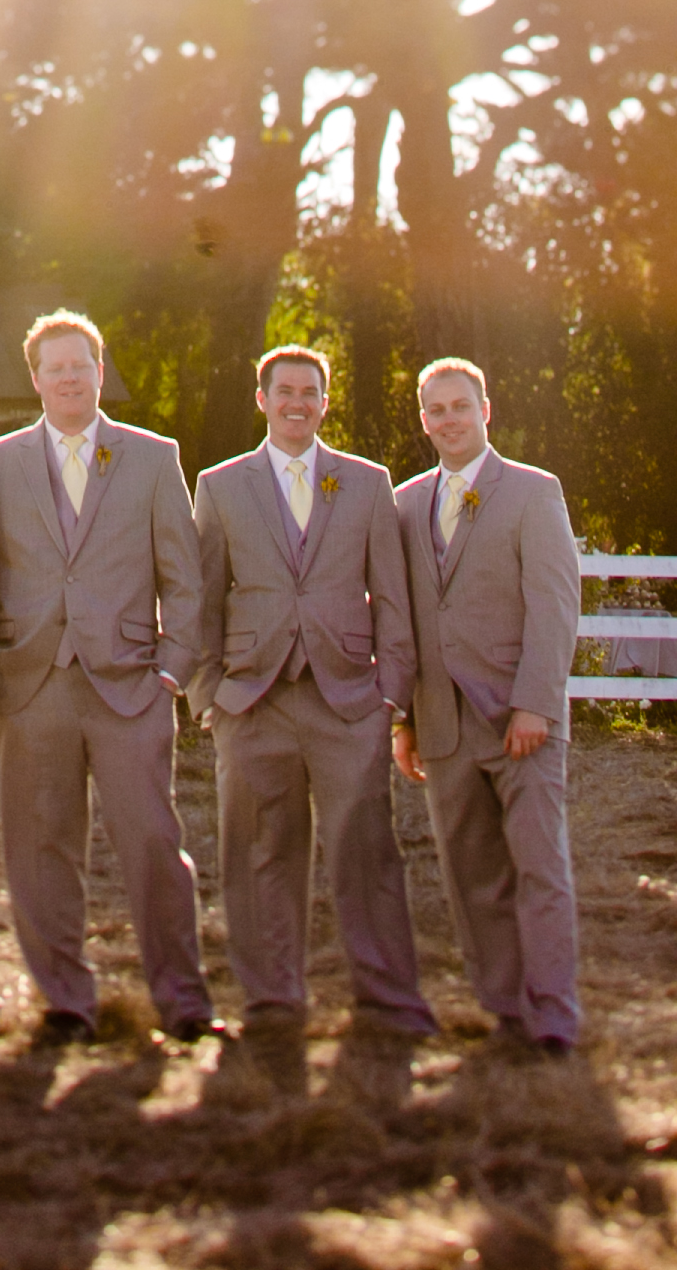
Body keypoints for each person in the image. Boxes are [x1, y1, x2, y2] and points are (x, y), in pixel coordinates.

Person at [0, 310, 215, 1042]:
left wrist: (172, 675)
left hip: (130, 686)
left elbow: (186, 578)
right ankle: (65, 1003)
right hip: (29, 684)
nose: (70, 378)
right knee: (38, 846)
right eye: (55, 367)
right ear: (36, 379)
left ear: (100, 369)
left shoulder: (152, 458)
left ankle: (183, 1002)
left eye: (81, 364)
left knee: (151, 841)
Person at [192, 343, 431, 1035]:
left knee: (366, 848)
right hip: (252, 700)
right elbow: (203, 597)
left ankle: (389, 1001)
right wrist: (210, 695)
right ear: (261, 399)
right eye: (284, 390)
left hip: (348, 699)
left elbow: (392, 596)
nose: (297, 402)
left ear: (325, 403)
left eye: (310, 392)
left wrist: (391, 695)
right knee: (259, 849)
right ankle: (271, 1001)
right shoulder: (221, 484)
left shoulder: (365, 483)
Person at [392, 356, 583, 1051]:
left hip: (518, 720)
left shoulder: (534, 493)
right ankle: (507, 1011)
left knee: (539, 868)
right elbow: (406, 617)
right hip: (442, 723)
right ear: (424, 420)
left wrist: (536, 703)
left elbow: (556, 604)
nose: (449, 420)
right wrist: (406, 720)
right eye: (435, 410)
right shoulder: (407, 503)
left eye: (460, 407)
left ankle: (555, 1017)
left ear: (485, 410)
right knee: (471, 874)